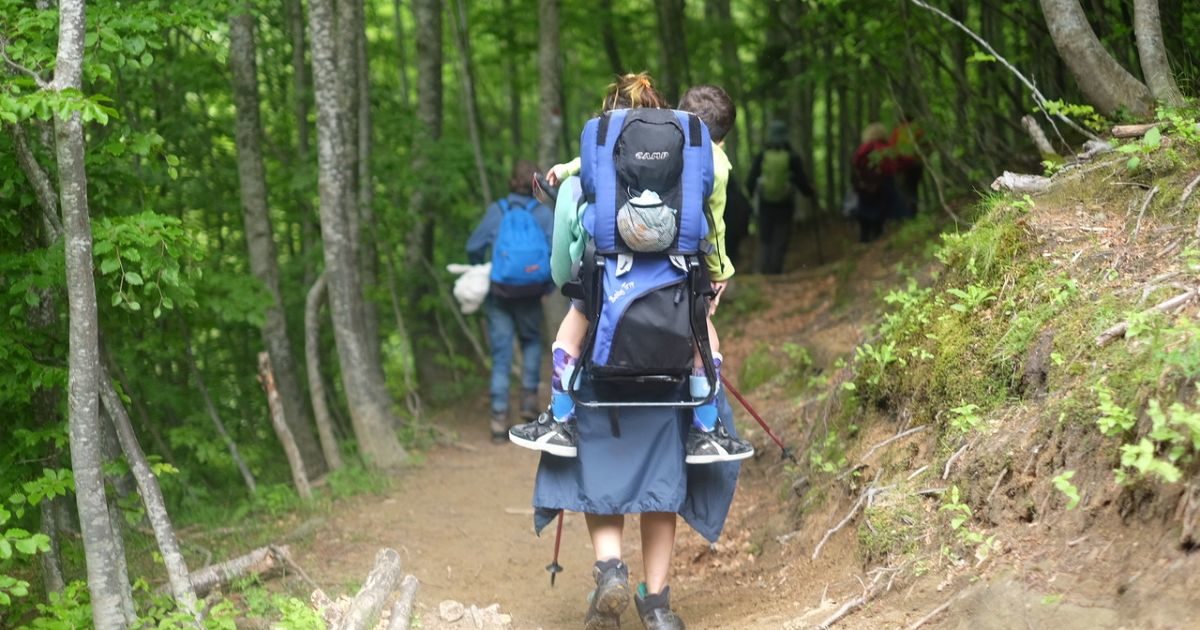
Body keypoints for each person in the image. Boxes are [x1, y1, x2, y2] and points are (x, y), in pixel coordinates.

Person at [508, 76, 753, 466]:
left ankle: (561, 420)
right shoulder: (697, 151)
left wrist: (567, 171)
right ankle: (706, 430)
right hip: (677, 278)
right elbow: (713, 226)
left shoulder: (604, 149)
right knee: (705, 336)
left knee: (573, 325)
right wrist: (719, 271)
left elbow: (564, 265)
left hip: (609, 278)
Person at [466, 160, 554, 443]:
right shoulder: (543, 214)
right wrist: (547, 286)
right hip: (532, 292)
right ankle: (529, 402)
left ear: (511, 182)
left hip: (500, 293)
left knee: (502, 354)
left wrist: (481, 268)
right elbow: (558, 253)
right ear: (537, 185)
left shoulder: (498, 211)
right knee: (531, 342)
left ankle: (498, 419)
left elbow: (473, 246)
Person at [746, 120, 817, 275]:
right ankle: (776, 271)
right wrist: (810, 191)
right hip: (785, 204)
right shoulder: (792, 157)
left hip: (765, 203)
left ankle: (763, 272)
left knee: (765, 237)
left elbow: (750, 181)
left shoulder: (762, 156)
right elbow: (802, 183)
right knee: (781, 237)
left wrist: (750, 197)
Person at [850, 122, 903, 243]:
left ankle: (864, 240)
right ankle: (876, 238)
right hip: (882, 183)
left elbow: (856, 163)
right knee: (881, 212)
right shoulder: (885, 147)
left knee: (865, 211)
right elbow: (891, 167)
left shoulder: (863, 148)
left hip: (865, 185)